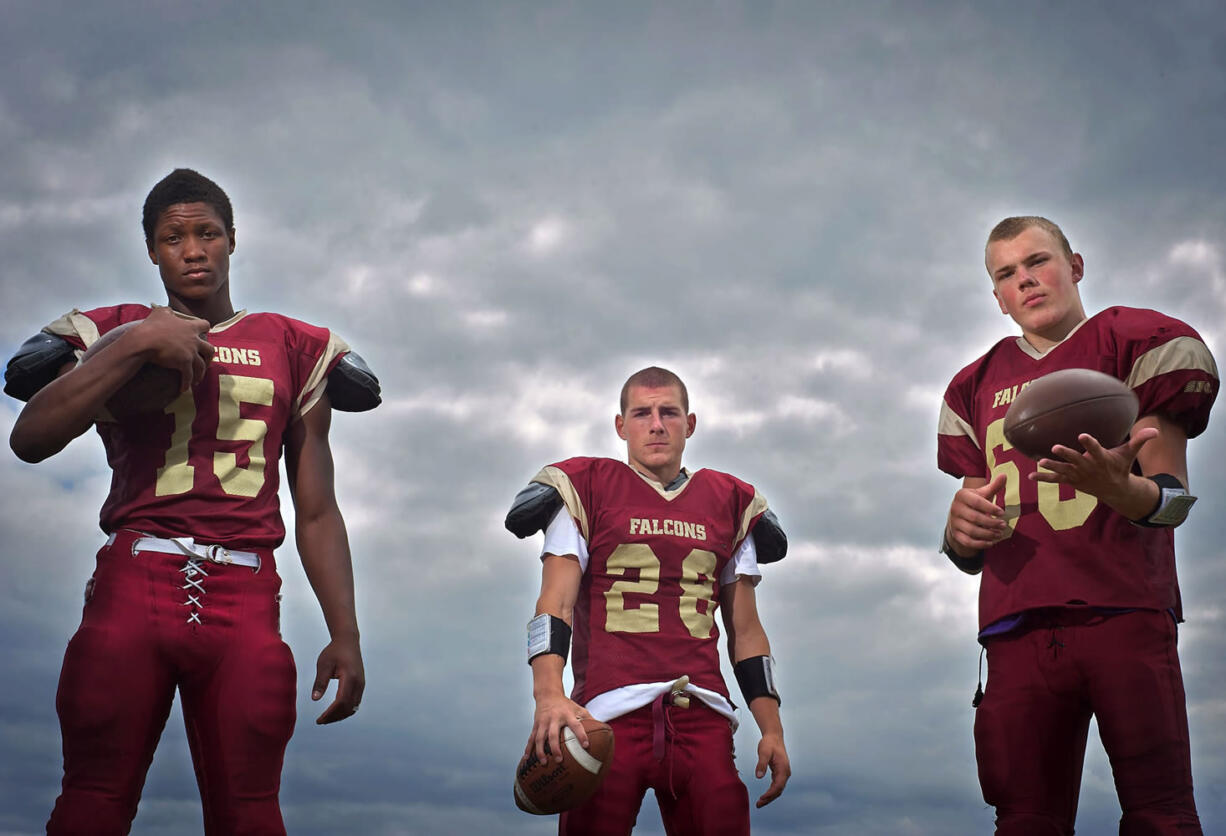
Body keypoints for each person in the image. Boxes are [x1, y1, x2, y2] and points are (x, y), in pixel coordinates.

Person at [4, 168, 381, 835]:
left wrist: (344, 632)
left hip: (246, 591)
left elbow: (316, 509)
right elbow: (29, 437)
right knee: (93, 799)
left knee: (251, 812)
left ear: (233, 240)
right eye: (173, 236)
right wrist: (142, 341)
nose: (194, 249)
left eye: (207, 233)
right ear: (151, 249)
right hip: (133, 581)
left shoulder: (293, 345)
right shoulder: (114, 328)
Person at [937, 216, 1218, 835]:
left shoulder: (1137, 342)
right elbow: (968, 544)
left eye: (1038, 262)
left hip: (1124, 609)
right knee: (1024, 820)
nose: (1026, 281)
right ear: (997, 297)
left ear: (1076, 266)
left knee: (1160, 814)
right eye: (1007, 274)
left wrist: (1121, 489)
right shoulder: (972, 386)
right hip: (1015, 625)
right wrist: (956, 535)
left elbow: (1174, 502)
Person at [505, 366, 791, 835]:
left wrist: (772, 728)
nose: (656, 424)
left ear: (690, 423)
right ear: (621, 426)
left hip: (701, 712)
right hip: (607, 717)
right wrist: (548, 696)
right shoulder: (588, 486)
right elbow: (554, 604)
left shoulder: (730, 501)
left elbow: (747, 631)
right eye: (642, 413)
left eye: (669, 413)